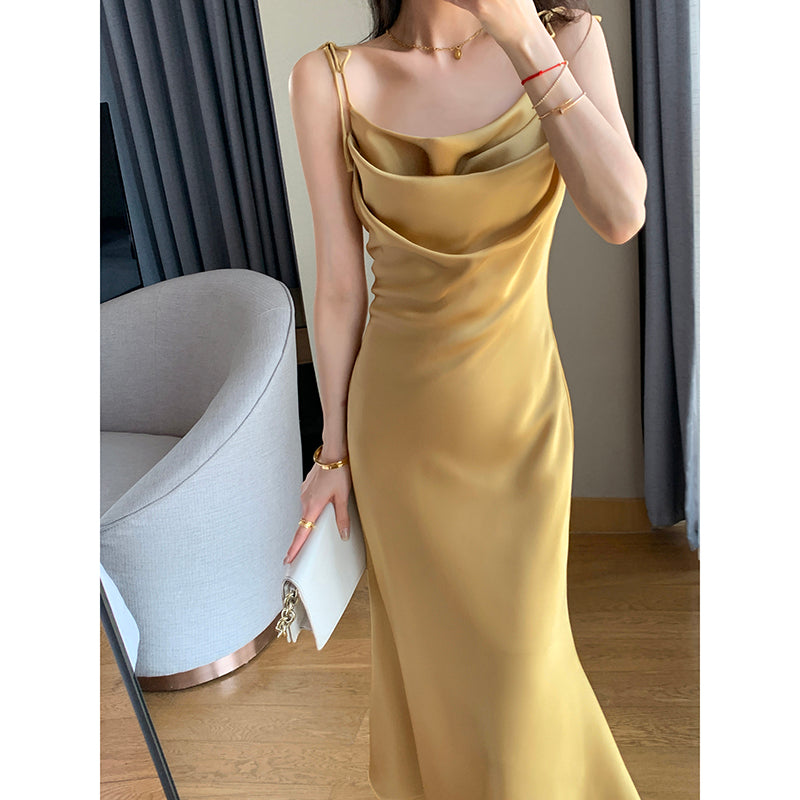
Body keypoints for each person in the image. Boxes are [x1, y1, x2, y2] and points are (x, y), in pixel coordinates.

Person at [285, 1, 647, 797]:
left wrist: (520, 34)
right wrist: (331, 452)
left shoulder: (568, 38)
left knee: (525, 674)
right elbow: (340, 287)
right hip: (400, 444)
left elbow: (622, 213)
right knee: (439, 684)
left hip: (522, 430)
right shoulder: (329, 79)